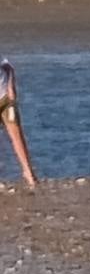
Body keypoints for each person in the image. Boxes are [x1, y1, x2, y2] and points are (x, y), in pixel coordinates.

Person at [0, 58, 39, 186]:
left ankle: (29, 173)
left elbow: (8, 67)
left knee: (17, 135)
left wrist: (11, 86)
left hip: (5, 98)